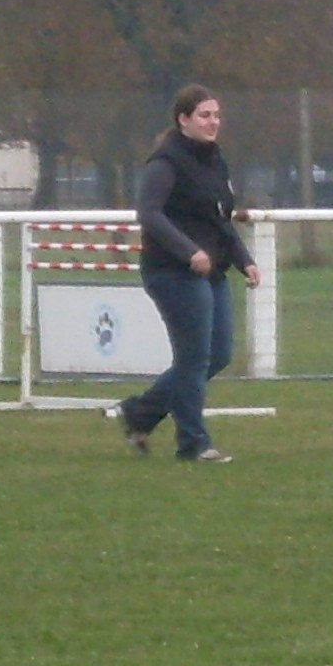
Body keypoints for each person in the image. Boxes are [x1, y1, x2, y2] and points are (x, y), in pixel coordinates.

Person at [117, 84, 262, 462]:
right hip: (172, 272)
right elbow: (149, 213)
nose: (213, 122)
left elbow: (220, 219)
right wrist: (189, 250)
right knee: (194, 358)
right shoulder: (166, 163)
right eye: (204, 115)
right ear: (183, 120)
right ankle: (194, 444)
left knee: (217, 356)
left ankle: (140, 413)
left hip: (211, 271)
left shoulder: (214, 161)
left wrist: (244, 259)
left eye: (216, 115)